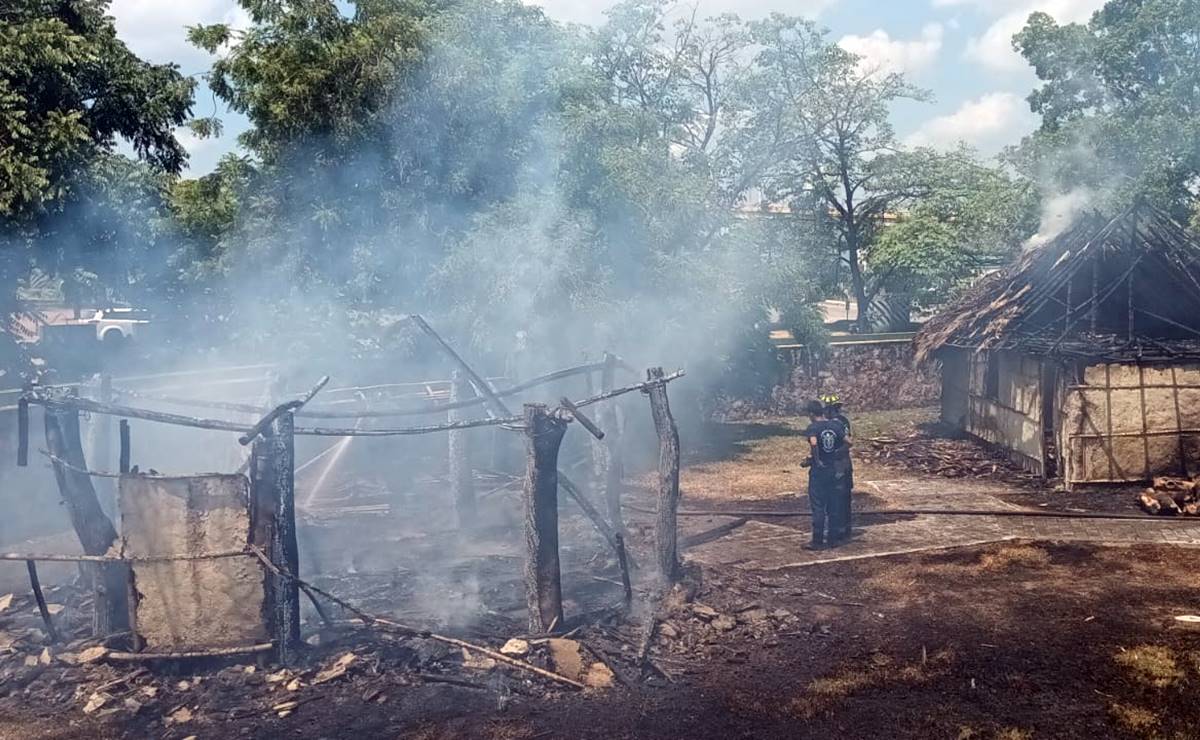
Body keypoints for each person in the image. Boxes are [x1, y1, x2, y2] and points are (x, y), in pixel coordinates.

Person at [803, 400, 849, 550]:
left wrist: (816, 460)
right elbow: (849, 442)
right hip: (833, 470)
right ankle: (833, 539)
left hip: (819, 472)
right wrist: (836, 454)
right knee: (833, 505)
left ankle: (817, 540)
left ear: (811, 414)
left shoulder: (813, 427)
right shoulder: (835, 425)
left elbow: (814, 443)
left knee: (818, 506)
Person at [821, 392, 854, 541]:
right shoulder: (843, 421)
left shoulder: (835, 424)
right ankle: (845, 527)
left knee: (836, 498)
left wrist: (833, 454)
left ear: (830, 409)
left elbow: (847, 444)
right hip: (845, 464)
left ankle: (838, 529)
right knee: (844, 497)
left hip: (838, 465)